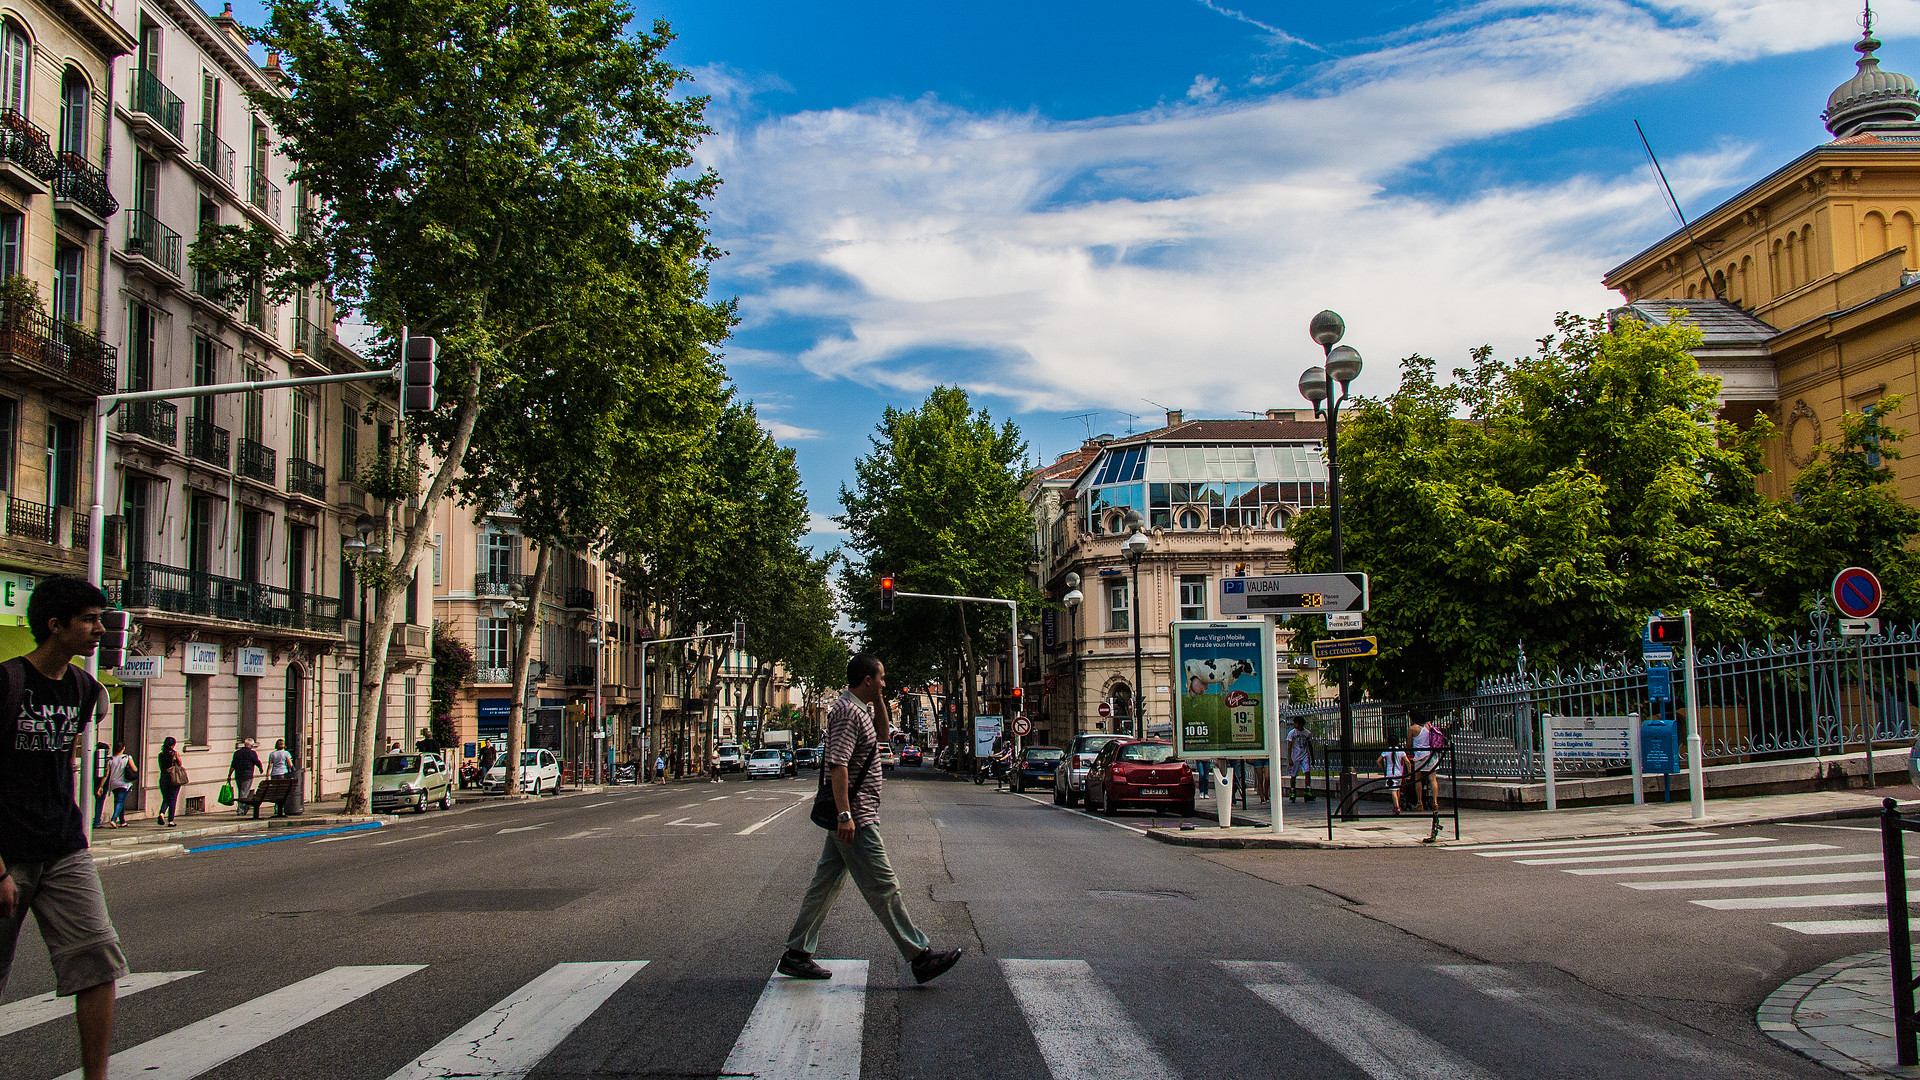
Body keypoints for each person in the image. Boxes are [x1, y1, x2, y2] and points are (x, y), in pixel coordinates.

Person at [0, 575, 126, 1080]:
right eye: (89, 621)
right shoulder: (6, 683)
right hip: (7, 852)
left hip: (64, 847)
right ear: (56, 626)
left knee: (98, 962)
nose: (100, 629)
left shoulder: (82, 688)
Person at [778, 653, 962, 986]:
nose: (885, 682)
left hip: (856, 813)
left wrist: (878, 700)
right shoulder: (848, 713)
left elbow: (882, 737)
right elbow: (838, 765)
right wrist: (846, 814)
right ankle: (920, 956)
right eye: (881, 678)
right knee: (884, 886)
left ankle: (797, 953)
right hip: (856, 817)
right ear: (867, 680)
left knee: (826, 883)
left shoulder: (861, 710)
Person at [99, 746, 134, 828]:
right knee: (120, 802)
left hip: (114, 783)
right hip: (124, 783)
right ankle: (113, 819)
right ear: (123, 748)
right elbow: (134, 769)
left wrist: (101, 786)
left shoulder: (110, 760)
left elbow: (106, 774)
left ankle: (122, 821)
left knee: (119, 801)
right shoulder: (127, 757)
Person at [227, 739, 262, 816]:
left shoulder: (237, 753)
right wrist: (260, 769)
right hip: (248, 775)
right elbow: (257, 762)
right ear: (252, 745)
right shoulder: (252, 753)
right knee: (244, 792)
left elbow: (233, 765)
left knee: (241, 791)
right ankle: (241, 810)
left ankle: (244, 807)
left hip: (238, 775)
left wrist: (229, 775)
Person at [1285, 718, 1314, 802]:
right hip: (1295, 757)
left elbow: (1310, 745)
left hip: (1304, 755)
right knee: (1293, 775)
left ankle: (1307, 791)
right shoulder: (1292, 733)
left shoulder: (1307, 733)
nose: (1294, 725)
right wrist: (1290, 758)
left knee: (1307, 772)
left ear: (1300, 724)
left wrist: (1312, 758)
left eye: (1296, 723)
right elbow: (1289, 746)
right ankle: (1293, 791)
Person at [156, 737, 183, 827]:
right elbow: (180, 764)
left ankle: (162, 813)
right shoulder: (174, 754)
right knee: (172, 799)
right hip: (173, 778)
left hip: (163, 777)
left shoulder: (161, 755)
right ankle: (171, 820)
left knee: (166, 797)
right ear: (173, 745)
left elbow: (160, 765)